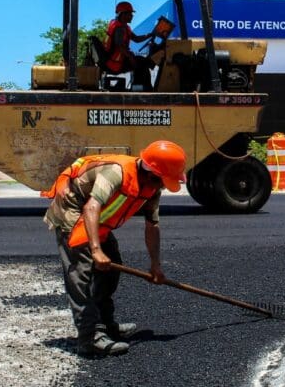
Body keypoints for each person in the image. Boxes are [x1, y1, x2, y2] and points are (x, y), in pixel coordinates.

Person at [42, 140, 187, 357]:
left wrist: (156, 266)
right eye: (163, 181)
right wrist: (95, 249)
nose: (164, 186)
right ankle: (89, 338)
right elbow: (92, 206)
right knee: (81, 272)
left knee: (111, 267)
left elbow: (152, 225)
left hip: (94, 218)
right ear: (152, 172)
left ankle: (105, 325)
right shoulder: (116, 173)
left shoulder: (152, 186)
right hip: (73, 210)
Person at [102, 1, 155, 90]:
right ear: (122, 14)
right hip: (115, 63)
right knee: (143, 64)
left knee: (142, 61)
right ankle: (141, 89)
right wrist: (131, 58)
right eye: (130, 14)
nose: (132, 16)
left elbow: (137, 39)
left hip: (115, 60)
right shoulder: (120, 29)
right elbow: (119, 46)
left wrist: (150, 34)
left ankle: (141, 88)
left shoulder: (124, 27)